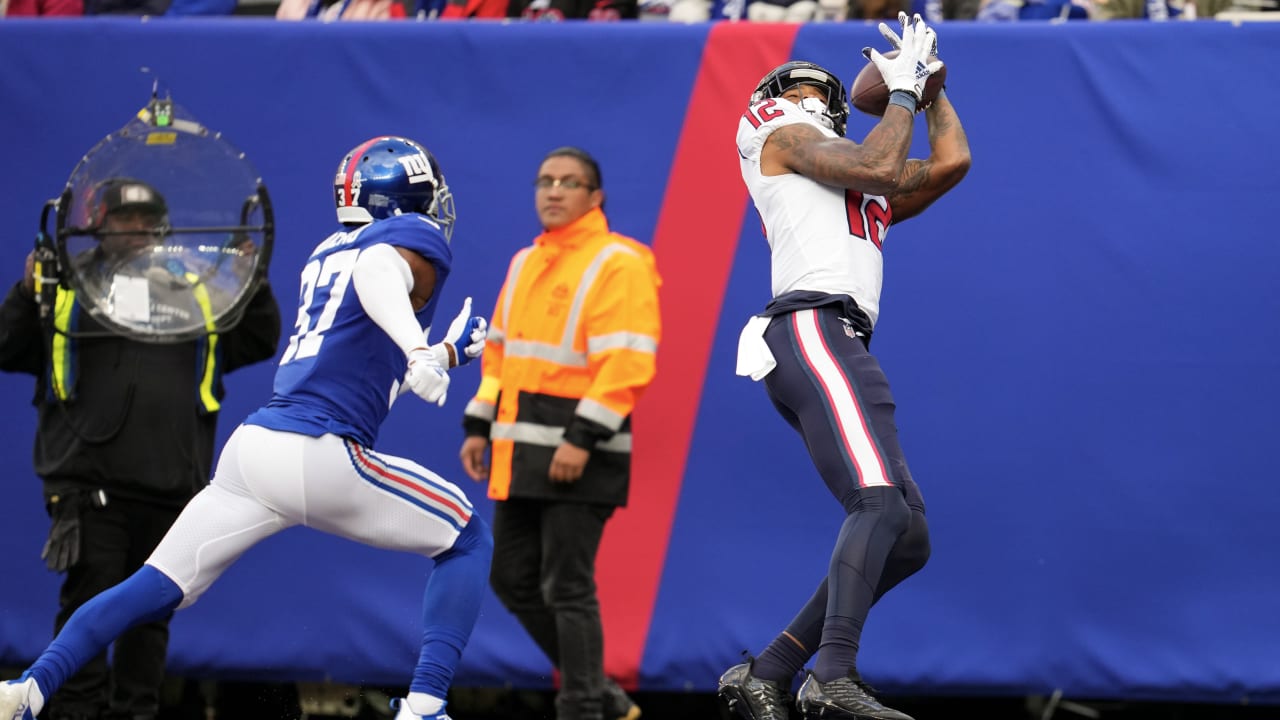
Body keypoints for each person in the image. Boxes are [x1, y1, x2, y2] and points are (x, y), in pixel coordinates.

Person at [0, 135, 494, 720]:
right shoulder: (402, 241)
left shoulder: (326, 252)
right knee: (466, 537)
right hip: (318, 450)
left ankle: (27, 690)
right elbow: (378, 270)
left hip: (256, 451)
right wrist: (420, 349)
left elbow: (364, 372)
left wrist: (442, 353)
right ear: (404, 196)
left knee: (155, 582)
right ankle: (426, 707)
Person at [718, 13, 970, 720]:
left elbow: (950, 163)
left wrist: (929, 90)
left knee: (908, 535)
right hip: (810, 325)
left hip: (837, 336)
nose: (807, 98)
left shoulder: (852, 174)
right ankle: (832, 675)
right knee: (880, 504)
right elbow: (879, 165)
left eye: (816, 91)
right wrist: (900, 93)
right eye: (795, 88)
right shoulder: (779, 135)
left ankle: (767, 672)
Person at [0, 177, 281, 720]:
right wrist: (26, 290)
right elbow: (7, 345)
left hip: (173, 486)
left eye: (148, 220)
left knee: (150, 623)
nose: (139, 229)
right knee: (87, 607)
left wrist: (252, 280)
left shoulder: (195, 292)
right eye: (126, 219)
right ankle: (74, 715)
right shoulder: (65, 287)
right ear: (97, 224)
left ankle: (137, 715)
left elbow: (261, 338)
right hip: (89, 486)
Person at [459, 147, 660, 720]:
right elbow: (498, 357)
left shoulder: (619, 261)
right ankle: (600, 694)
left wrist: (580, 439)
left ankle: (582, 707)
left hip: (580, 454)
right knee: (511, 579)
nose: (553, 191)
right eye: (545, 180)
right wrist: (479, 424)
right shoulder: (526, 261)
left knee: (567, 587)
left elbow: (628, 362)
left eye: (569, 183)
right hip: (518, 454)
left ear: (594, 198)